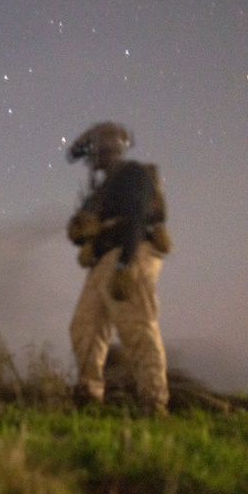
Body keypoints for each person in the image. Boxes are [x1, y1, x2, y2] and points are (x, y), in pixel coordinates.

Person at [65, 121, 171, 415]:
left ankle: (154, 404)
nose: (96, 154)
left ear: (113, 147)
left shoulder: (132, 174)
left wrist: (125, 264)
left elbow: (137, 216)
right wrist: (82, 234)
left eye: (101, 145)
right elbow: (80, 231)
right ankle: (89, 398)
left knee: (136, 326)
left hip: (131, 253)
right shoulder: (99, 192)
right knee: (84, 328)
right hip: (103, 262)